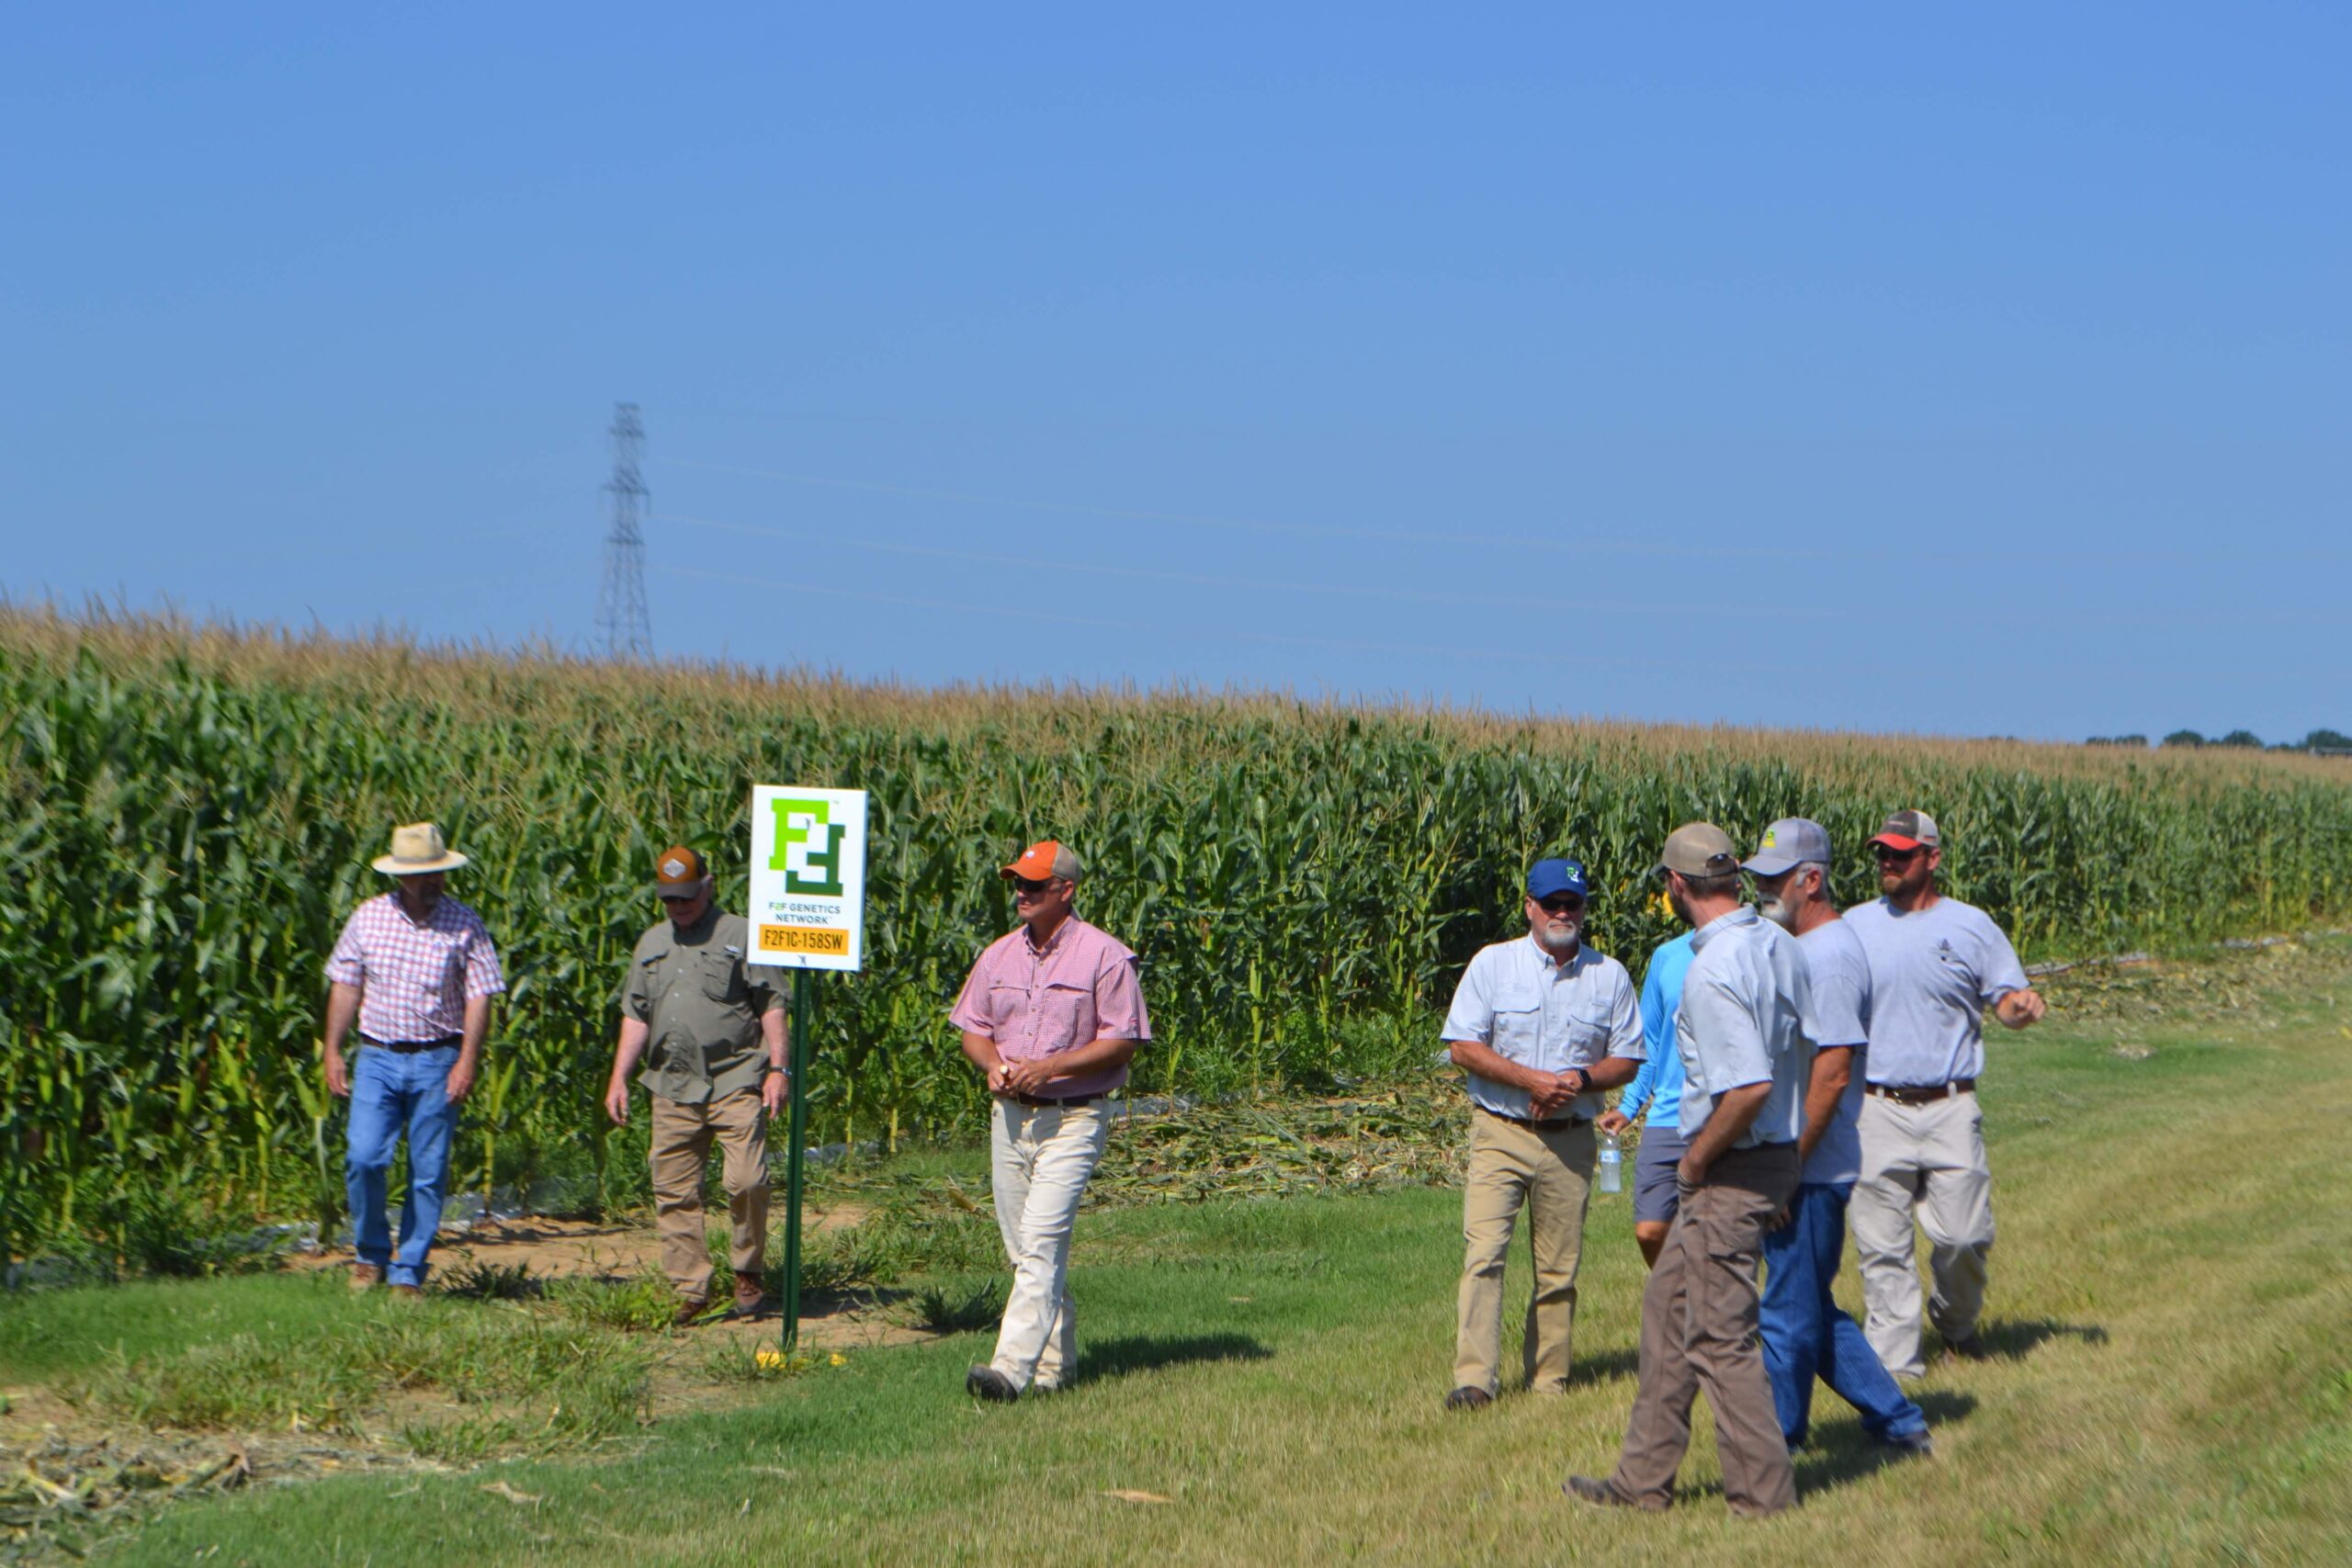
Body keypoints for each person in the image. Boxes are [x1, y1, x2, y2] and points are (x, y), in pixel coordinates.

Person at [1565, 823, 1810, 1519]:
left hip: (1729, 1163)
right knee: (1667, 1310)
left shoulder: (1711, 969)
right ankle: (1642, 1480)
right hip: (1768, 1154)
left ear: (1675, 885)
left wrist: (1697, 1162)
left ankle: (1763, 1498)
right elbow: (1809, 1052)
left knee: (1718, 1336)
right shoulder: (1779, 945)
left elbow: (1748, 1087)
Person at [1745, 818, 1933, 1457]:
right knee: (1807, 1305)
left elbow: (1832, 1072)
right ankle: (1898, 1422)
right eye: (1759, 877)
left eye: (1774, 879)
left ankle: (1777, 1444)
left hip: (1811, 1168)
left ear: (1811, 880)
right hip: (1803, 1161)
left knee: (1787, 1312)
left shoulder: (1829, 959)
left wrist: (1786, 1167)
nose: (1763, 890)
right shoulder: (1808, 948)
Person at [1844, 809, 2045, 1377]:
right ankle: (1896, 1371)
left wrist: (2020, 1009)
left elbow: (2007, 999)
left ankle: (1955, 1325)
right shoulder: (1854, 926)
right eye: (1882, 853)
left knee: (1965, 1236)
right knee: (1883, 1249)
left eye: (1900, 854)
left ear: (1932, 858)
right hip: (1874, 1106)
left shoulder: (1971, 925)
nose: (1888, 862)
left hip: (1950, 1105)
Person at [1440, 858, 1645, 1410]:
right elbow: (1462, 1047)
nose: (1562, 913)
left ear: (1584, 909)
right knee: (1484, 1255)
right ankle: (1475, 1381)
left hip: (1571, 1139)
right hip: (1500, 1131)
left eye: (1572, 904)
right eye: (1551, 903)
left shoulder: (1609, 975)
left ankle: (1549, 1383)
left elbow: (1628, 1058)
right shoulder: (1493, 964)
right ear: (1529, 906)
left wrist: (1579, 1080)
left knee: (1559, 1269)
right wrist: (1530, 1079)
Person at [952, 840, 1149, 1403]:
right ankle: (1055, 1370)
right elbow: (973, 1028)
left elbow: (1123, 1040)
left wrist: (1051, 1068)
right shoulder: (998, 955)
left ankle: (1008, 1373)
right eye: (1017, 882)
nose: (1022, 893)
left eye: (1034, 884)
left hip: (1075, 1117)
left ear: (1066, 890)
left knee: (1040, 1245)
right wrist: (992, 1065)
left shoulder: (1105, 956)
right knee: (1026, 1253)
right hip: (1009, 1119)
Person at [602, 846, 788, 1326]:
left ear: (708, 886)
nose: (678, 906)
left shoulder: (742, 934)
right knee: (674, 1191)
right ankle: (690, 1289)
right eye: (670, 899)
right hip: (672, 1083)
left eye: (687, 896)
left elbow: (771, 1003)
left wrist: (778, 1069)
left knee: (747, 1180)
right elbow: (636, 1014)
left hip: (735, 1078)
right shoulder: (651, 943)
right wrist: (619, 1077)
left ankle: (748, 1270)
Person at [322, 822, 504, 1297]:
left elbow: (480, 995)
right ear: (401, 877)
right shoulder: (368, 918)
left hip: (437, 1058)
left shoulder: (465, 923)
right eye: (424, 874)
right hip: (377, 1057)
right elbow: (346, 984)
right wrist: (332, 1049)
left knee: (428, 1170)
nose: (434, 881)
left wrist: (467, 1060)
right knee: (363, 1157)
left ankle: (409, 1270)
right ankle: (370, 1255)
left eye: (438, 872)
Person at [1597, 920, 1694, 1269]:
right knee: (1650, 1230)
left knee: (1716, 1232)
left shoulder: (1757, 945)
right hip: (1668, 1114)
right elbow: (1650, 1039)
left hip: (1731, 1113)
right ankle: (1681, 1291)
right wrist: (1630, 1105)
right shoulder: (1668, 956)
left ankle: (1703, 1295)